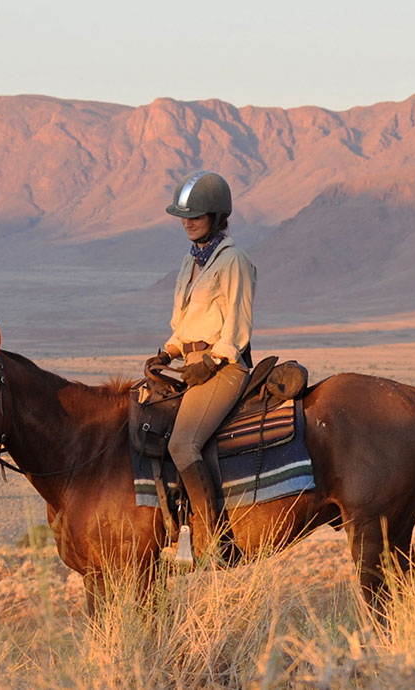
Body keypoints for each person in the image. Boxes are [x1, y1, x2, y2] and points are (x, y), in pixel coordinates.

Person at [142, 170, 256, 563]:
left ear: (217, 216)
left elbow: (236, 330)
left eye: (197, 214)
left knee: (182, 442)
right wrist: (167, 353)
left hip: (224, 369)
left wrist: (209, 362)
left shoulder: (234, 260)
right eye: (183, 215)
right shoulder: (190, 263)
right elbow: (185, 324)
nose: (187, 222)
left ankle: (216, 540)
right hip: (191, 364)